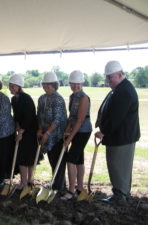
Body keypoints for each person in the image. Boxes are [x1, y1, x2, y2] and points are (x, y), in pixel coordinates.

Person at [95, 61, 140, 204]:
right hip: (121, 136)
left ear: (120, 75)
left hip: (121, 137)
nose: (108, 80)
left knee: (117, 166)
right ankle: (122, 194)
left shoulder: (124, 91)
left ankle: (120, 196)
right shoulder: (120, 88)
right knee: (120, 166)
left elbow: (116, 118)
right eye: (107, 77)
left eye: (110, 77)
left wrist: (104, 132)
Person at [60, 71, 92, 200]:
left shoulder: (84, 98)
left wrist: (69, 138)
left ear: (81, 84)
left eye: (77, 84)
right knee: (79, 159)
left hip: (83, 131)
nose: (75, 86)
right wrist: (67, 128)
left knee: (70, 160)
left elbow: (79, 120)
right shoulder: (72, 97)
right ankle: (80, 187)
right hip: (74, 129)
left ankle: (71, 190)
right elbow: (72, 117)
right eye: (73, 84)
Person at [37, 72, 67, 192]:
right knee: (52, 160)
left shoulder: (58, 99)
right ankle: (56, 183)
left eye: (49, 85)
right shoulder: (42, 98)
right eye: (44, 84)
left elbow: (58, 119)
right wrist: (39, 130)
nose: (46, 87)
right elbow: (38, 115)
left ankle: (59, 186)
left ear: (54, 85)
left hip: (57, 136)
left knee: (58, 161)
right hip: (45, 134)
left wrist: (48, 133)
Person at [8, 74, 38, 188]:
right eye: (10, 86)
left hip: (30, 130)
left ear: (19, 86)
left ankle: (28, 182)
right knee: (22, 157)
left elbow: (29, 116)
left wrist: (21, 131)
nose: (11, 88)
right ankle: (24, 182)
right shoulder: (14, 99)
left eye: (14, 86)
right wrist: (17, 127)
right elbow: (16, 115)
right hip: (21, 129)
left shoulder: (26, 98)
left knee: (27, 157)